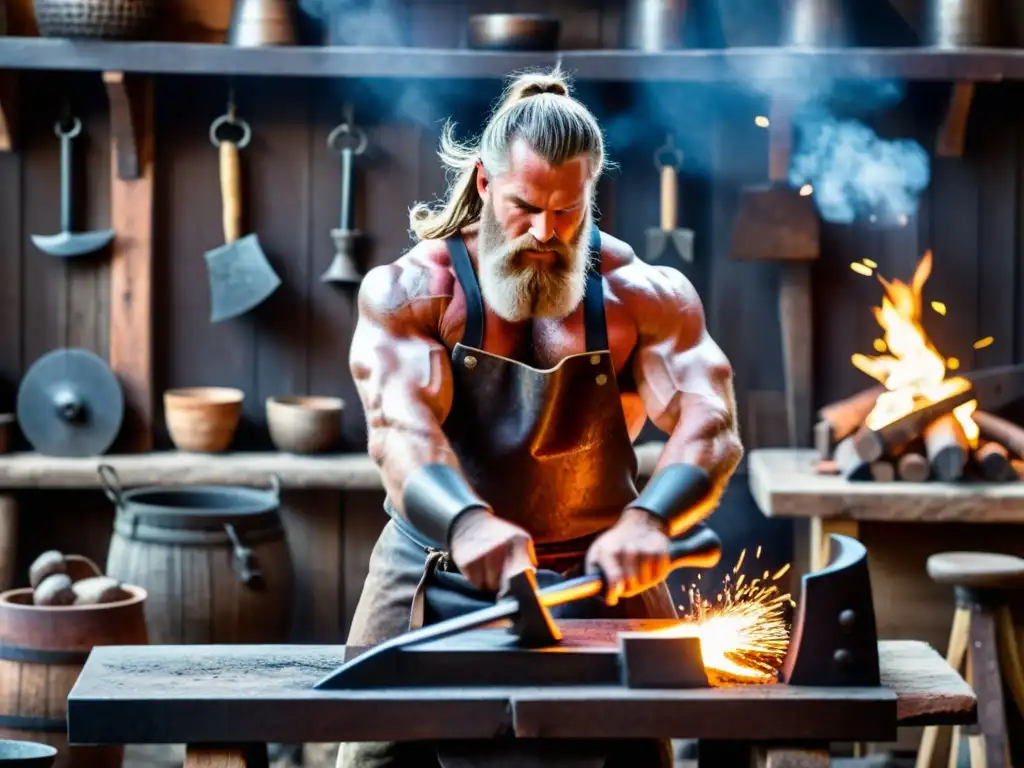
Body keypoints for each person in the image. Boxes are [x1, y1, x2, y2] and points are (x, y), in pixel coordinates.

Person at [337, 67, 743, 768]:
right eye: (525, 207)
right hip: (433, 575)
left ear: (591, 192)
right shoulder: (415, 290)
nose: (545, 233)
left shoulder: (639, 295)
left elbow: (711, 423)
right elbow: (399, 431)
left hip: (602, 579)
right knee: (369, 758)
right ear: (487, 185)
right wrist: (466, 520)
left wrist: (650, 521)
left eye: (567, 212)